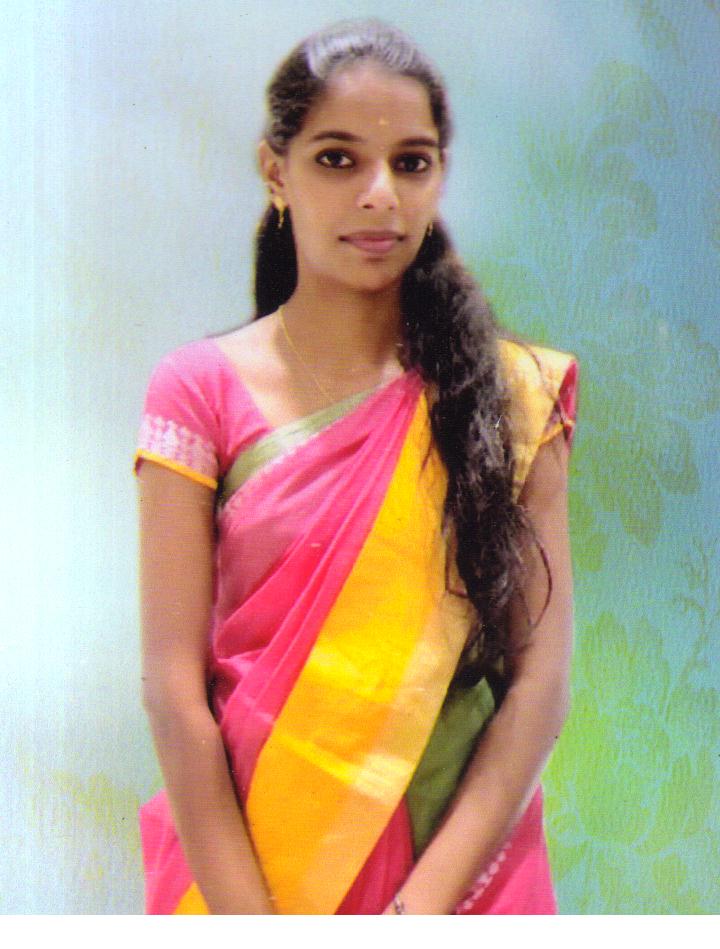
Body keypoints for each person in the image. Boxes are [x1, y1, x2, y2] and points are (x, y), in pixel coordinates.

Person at [134, 19, 578, 915]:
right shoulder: (198, 392)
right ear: (275, 172)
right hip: (250, 872)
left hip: (463, 886)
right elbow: (175, 694)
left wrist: (418, 912)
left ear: (438, 177)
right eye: (338, 159)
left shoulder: (513, 397)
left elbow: (539, 684)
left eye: (410, 163)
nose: (380, 195)